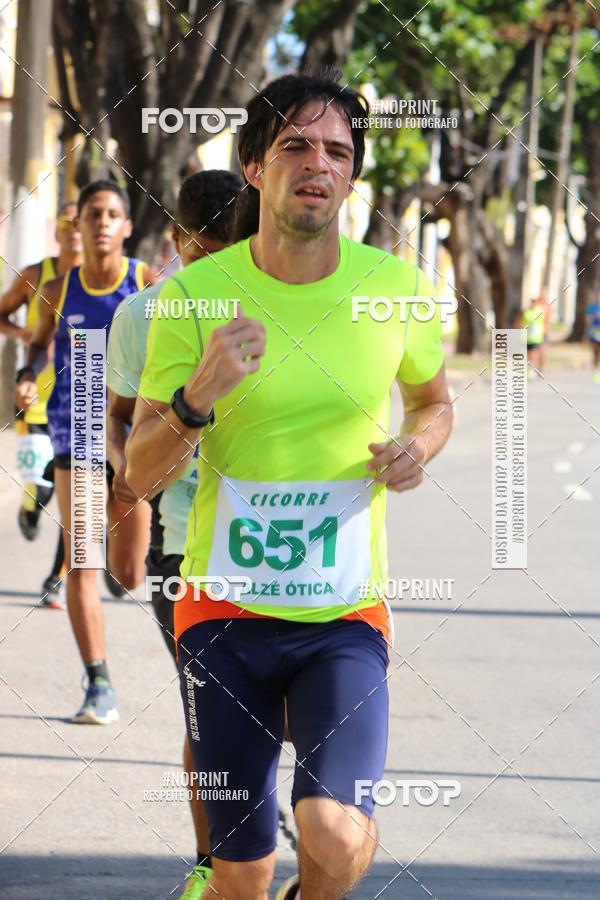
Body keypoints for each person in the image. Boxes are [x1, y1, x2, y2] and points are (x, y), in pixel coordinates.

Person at [126, 72, 453, 900]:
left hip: (342, 614)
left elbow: (433, 401)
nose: (318, 165)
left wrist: (419, 446)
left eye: (337, 152)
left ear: (351, 175)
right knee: (239, 873)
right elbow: (138, 471)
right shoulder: (196, 296)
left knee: (333, 834)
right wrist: (195, 399)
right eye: (296, 146)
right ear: (253, 165)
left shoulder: (397, 290)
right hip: (222, 616)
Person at [106, 170, 241, 898]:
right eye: (204, 254)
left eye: (231, 252)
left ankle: (256, 839)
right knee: (211, 710)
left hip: (281, 551)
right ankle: (210, 863)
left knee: (275, 711)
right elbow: (118, 417)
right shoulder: (142, 315)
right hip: (185, 548)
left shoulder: (276, 304)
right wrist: (125, 506)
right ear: (178, 241)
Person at [14, 180, 153, 724]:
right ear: (77, 225)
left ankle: (124, 563)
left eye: (111, 214)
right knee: (82, 561)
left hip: (134, 443)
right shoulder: (61, 286)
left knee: (131, 574)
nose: (100, 222)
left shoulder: (145, 282)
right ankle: (98, 682)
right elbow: (37, 338)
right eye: (91, 213)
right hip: (80, 437)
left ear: (125, 227)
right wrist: (28, 374)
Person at [0, 203, 82, 607]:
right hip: (34, 398)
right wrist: (27, 333)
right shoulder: (36, 276)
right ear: (59, 230)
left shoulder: (104, 280)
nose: (75, 229)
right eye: (67, 221)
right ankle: (30, 512)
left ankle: (57, 576)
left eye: (80, 220)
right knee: (43, 490)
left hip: (82, 404)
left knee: (76, 497)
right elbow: (1, 313)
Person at [518, 296, 547, 377]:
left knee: (535, 353)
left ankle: (536, 369)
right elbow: (521, 321)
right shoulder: (526, 311)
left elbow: (545, 321)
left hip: (537, 337)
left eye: (534, 301)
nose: (532, 303)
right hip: (527, 337)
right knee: (529, 354)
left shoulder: (540, 311)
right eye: (532, 301)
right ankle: (531, 369)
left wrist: (545, 332)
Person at [584, 296, 600, 381]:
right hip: (594, 332)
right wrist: (593, 317)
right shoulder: (592, 308)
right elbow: (588, 319)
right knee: (595, 352)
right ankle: (595, 370)